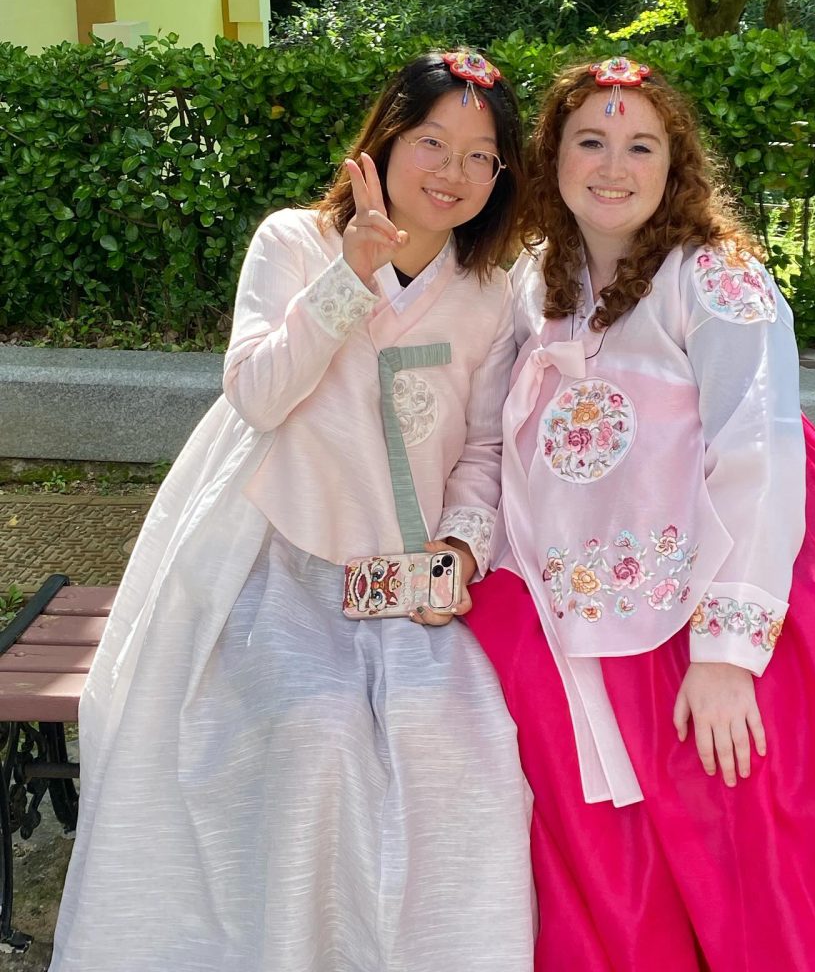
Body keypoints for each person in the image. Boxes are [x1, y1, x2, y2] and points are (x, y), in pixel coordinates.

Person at [50, 51, 535, 972]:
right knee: (312, 731)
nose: (453, 172)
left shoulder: (488, 292)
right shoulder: (294, 242)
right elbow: (259, 397)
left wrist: (462, 551)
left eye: (482, 157)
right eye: (433, 141)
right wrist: (351, 272)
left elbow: (482, 448)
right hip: (268, 556)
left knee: (457, 741)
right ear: (386, 139)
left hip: (405, 572)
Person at [465, 57, 815, 972]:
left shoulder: (717, 279)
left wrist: (729, 656)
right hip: (565, 568)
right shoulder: (536, 278)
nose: (612, 166)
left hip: (721, 562)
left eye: (639, 145)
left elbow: (758, 453)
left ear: (674, 165)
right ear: (552, 157)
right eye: (590, 141)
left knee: (738, 807)